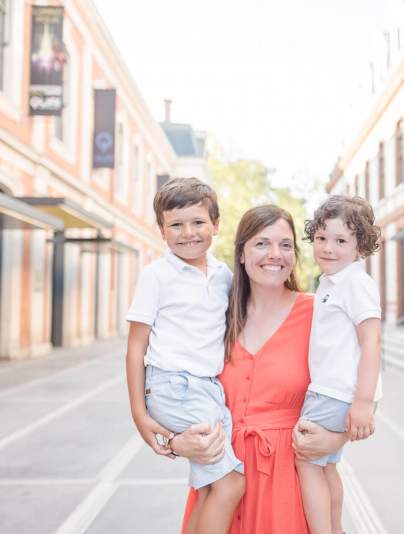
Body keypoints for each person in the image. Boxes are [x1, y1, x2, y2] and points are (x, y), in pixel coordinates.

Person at [173, 205, 350, 534]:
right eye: (262, 243)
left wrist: (339, 436)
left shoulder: (321, 312)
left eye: (285, 245)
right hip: (221, 482)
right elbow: (168, 380)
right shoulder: (215, 315)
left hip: (289, 486)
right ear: (241, 254)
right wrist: (173, 440)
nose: (275, 254)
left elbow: (363, 388)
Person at [125, 177, 245, 534]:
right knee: (231, 484)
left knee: (209, 486)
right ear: (161, 230)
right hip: (174, 385)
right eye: (175, 224)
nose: (187, 232)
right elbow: (135, 348)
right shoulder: (156, 276)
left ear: (216, 226)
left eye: (198, 222)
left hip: (208, 388)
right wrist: (138, 414)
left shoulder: (223, 274)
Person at [296, 195, 383, 534]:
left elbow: (371, 342)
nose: (327, 248)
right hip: (332, 391)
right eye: (321, 238)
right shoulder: (330, 283)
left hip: (336, 393)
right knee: (326, 468)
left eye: (340, 240)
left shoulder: (355, 282)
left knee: (306, 462)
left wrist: (364, 402)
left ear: (360, 248)